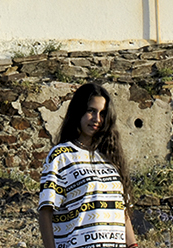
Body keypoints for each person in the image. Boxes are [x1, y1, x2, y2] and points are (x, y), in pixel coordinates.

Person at [38, 82, 137, 248]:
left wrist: (133, 245)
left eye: (103, 113)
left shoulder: (111, 157)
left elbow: (122, 213)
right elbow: (46, 212)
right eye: (91, 111)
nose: (97, 119)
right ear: (78, 111)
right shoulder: (61, 156)